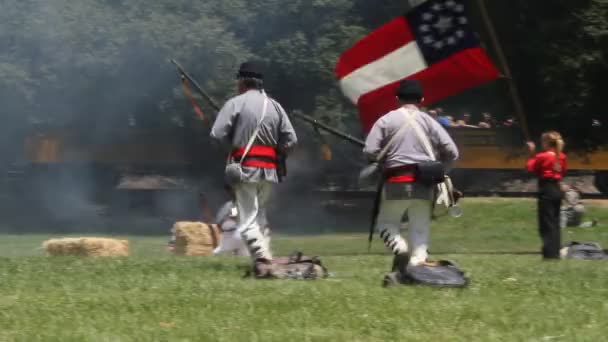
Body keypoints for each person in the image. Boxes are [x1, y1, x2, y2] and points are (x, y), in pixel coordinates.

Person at [363, 79, 459, 270]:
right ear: (421, 99)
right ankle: (418, 267)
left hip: (395, 181)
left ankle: (400, 249)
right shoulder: (429, 122)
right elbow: (453, 153)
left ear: (397, 98)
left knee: (386, 224)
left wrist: (383, 160)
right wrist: (440, 172)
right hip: (425, 182)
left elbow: (369, 151)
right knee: (420, 231)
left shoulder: (386, 120)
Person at [210, 61, 297, 266]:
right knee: (260, 218)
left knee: (247, 221)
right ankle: (266, 257)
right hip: (270, 171)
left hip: (245, 169)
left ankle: (264, 261)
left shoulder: (235, 103)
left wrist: (232, 146)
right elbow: (291, 140)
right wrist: (278, 155)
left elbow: (215, 135)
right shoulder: (275, 106)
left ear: (242, 82)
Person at [526, 131, 567, 260]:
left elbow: (531, 167)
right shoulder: (561, 156)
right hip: (556, 188)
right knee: (554, 222)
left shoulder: (543, 156)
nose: (541, 143)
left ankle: (549, 253)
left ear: (547, 143)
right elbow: (563, 171)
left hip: (546, 189)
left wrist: (532, 153)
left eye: (542, 141)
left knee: (546, 223)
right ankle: (555, 251)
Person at [213, 184, 272, 256]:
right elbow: (230, 218)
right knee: (246, 256)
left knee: (260, 256)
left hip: (257, 234)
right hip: (242, 235)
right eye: (230, 190)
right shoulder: (231, 205)